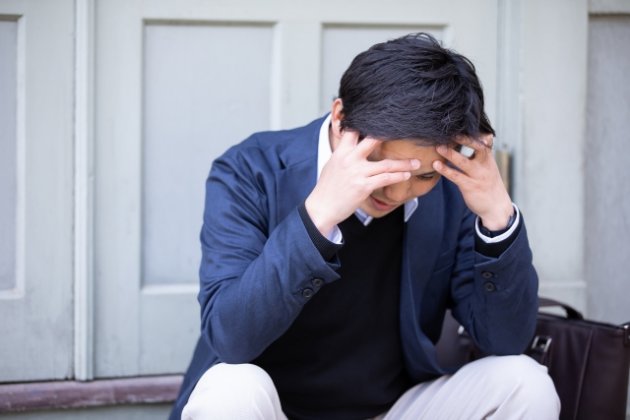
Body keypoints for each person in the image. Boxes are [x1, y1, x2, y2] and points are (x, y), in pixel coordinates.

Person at [170, 33, 560, 419]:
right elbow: (231, 338)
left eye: (422, 176)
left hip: (393, 410)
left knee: (525, 383)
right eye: (382, 166)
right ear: (340, 118)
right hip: (269, 411)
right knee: (230, 390)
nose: (397, 191)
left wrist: (497, 215)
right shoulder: (250, 170)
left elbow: (505, 340)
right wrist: (319, 215)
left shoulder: (449, 187)